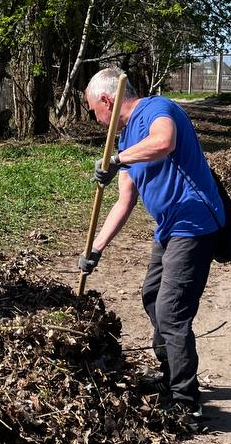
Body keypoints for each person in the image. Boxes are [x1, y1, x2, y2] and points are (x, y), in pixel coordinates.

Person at [78, 69, 223, 422]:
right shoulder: (126, 138)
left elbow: (164, 142)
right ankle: (170, 375)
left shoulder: (159, 108)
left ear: (107, 102)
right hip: (169, 228)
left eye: (93, 111)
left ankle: (186, 402)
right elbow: (123, 201)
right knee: (151, 296)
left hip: (195, 224)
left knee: (172, 311)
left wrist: (116, 160)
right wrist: (94, 249)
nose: (96, 120)